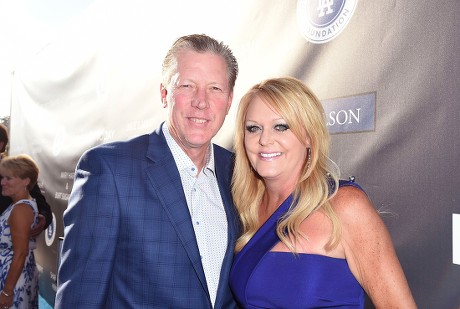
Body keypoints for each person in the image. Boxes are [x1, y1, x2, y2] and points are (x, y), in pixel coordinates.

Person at [56, 34, 240, 308]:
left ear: (229, 100)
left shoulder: (237, 171)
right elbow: (81, 297)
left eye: (215, 88)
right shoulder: (109, 170)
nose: (201, 101)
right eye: (187, 85)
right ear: (165, 94)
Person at [229, 77, 417, 308]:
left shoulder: (346, 206)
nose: (265, 140)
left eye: (281, 126)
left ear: (309, 136)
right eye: (253, 128)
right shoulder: (245, 209)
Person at [0, 154, 40, 309]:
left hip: (13, 281)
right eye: (2, 177)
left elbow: (21, 253)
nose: (2, 182)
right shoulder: (18, 205)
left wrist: (7, 293)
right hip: (15, 277)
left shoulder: (20, 209)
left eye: (8, 178)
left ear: (26, 181)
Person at [0, 124, 52, 237]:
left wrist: (43, 217)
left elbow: (42, 206)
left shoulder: (15, 170)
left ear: (1, 144)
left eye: (7, 179)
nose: (4, 182)